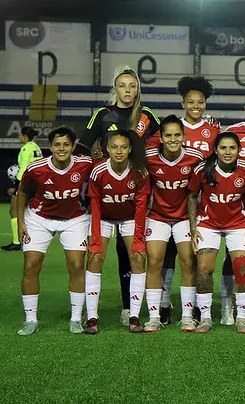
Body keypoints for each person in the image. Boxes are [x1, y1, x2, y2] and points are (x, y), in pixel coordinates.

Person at [77, 66, 160, 326]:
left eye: (132, 86)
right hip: (106, 193)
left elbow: (165, 141)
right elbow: (81, 146)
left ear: (138, 89)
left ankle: (129, 308)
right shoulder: (102, 114)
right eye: (123, 85)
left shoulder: (146, 115)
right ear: (115, 88)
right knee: (98, 252)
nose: (127, 90)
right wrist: (95, 164)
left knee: (131, 253)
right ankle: (90, 311)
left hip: (137, 193)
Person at [153, 76, 226, 326]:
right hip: (167, 202)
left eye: (201, 102)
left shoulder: (213, 129)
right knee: (166, 257)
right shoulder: (172, 128)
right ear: (183, 103)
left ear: (206, 104)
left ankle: (193, 305)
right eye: (192, 102)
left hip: (197, 204)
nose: (196, 106)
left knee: (191, 258)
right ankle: (164, 303)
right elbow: (154, 156)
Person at [15, 127, 93, 335]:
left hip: (75, 219)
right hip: (39, 219)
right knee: (31, 265)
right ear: (50, 147)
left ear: (73, 146)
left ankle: (76, 319)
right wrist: (21, 222)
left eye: (66, 144)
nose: (61, 148)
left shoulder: (85, 164)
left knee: (77, 265)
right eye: (57, 144)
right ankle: (31, 320)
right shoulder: (36, 168)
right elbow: (21, 193)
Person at [187, 132, 245, 334]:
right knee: (204, 268)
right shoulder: (202, 169)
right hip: (208, 224)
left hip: (237, 224)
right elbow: (192, 196)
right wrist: (193, 228)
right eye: (223, 148)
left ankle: (241, 317)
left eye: (232, 148)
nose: (228, 152)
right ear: (215, 150)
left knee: (242, 266)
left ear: (238, 150)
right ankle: (206, 316)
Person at [84, 130, 151, 334]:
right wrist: (95, 240)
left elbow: (141, 208)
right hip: (103, 217)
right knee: (94, 257)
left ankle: (134, 316)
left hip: (130, 218)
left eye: (123, 147)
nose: (119, 151)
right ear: (107, 149)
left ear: (129, 149)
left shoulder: (139, 172)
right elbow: (94, 206)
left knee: (138, 257)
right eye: (114, 147)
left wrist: (139, 240)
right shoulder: (98, 171)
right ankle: (92, 318)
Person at [143, 115, 205, 333]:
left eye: (177, 134)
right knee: (154, 262)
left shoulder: (195, 157)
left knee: (188, 262)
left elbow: (202, 188)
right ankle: (153, 316)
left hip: (184, 218)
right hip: (157, 216)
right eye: (168, 135)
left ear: (184, 136)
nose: (172, 139)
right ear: (160, 137)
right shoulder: (148, 156)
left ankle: (187, 316)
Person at [2, 127, 42, 251]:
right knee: (30, 212)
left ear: (25, 136)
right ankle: (29, 239)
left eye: (20, 135)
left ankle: (17, 241)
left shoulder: (26, 148)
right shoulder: (36, 147)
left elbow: (24, 167)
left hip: (27, 183)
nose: (19, 137)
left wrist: (16, 187)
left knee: (14, 211)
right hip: (38, 183)